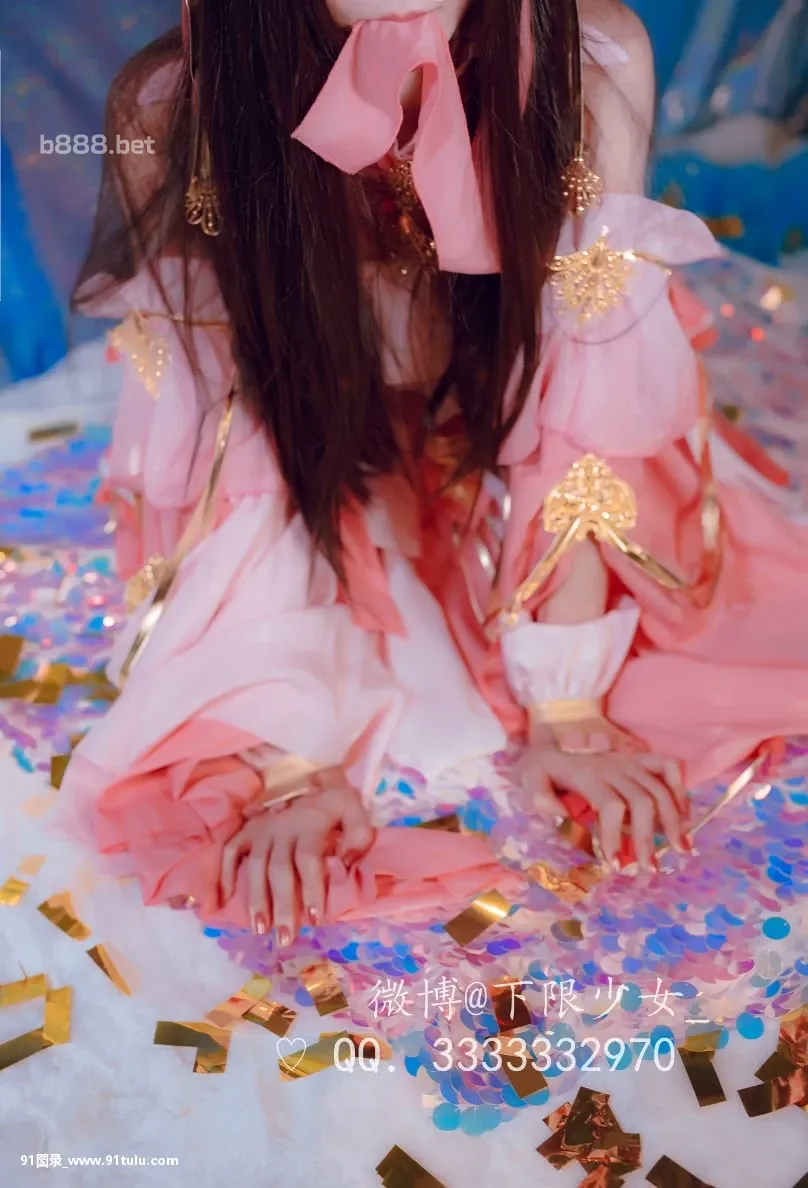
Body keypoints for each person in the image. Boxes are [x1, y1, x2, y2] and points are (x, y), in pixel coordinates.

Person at [62, 0, 808, 947]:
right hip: (321, 459)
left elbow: (590, 382)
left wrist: (569, 697)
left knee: (692, 631)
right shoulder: (174, 102)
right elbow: (224, 430)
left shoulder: (592, 56)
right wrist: (284, 743)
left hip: (503, 436)